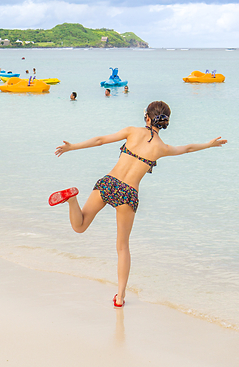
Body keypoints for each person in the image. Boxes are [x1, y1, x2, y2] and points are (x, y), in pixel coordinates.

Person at [48, 101, 226, 307]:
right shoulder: (162, 148)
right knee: (122, 247)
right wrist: (209, 144)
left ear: (147, 118)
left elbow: (99, 140)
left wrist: (72, 147)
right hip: (127, 193)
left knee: (79, 227)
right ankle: (120, 297)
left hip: (108, 182)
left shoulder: (132, 131)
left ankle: (72, 199)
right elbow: (187, 148)